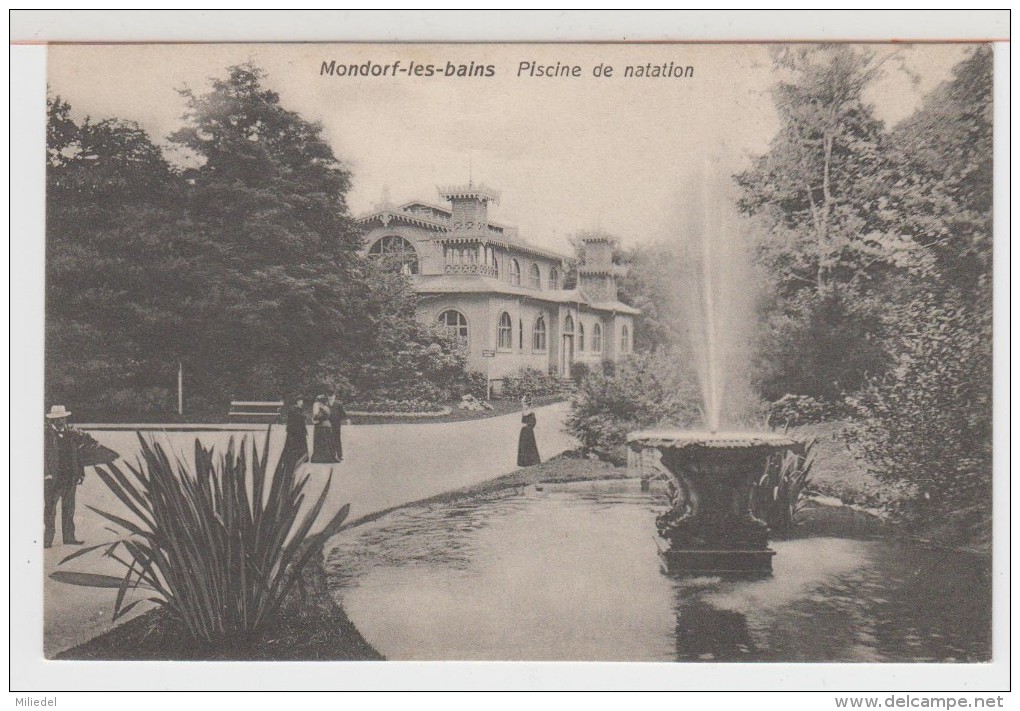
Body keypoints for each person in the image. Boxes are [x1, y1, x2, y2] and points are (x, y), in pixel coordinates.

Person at [44, 405, 98, 548]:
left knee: (69, 509)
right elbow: (42, 457)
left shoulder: (70, 435)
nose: (61, 421)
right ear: (52, 421)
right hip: (52, 479)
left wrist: (80, 473)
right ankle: (47, 540)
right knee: (50, 510)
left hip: (69, 478)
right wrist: (46, 474)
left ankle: (69, 537)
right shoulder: (46, 436)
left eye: (63, 418)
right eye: (58, 419)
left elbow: (76, 456)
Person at [310, 394, 340, 464]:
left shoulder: (322, 408)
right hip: (327, 426)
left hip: (322, 427)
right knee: (328, 443)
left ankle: (323, 458)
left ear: (321, 402)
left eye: (319, 401)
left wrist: (314, 418)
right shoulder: (327, 407)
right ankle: (329, 456)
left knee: (322, 442)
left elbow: (319, 417)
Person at [281, 397, 309, 470]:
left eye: (302, 401)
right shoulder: (293, 409)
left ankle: (302, 457)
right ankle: (292, 457)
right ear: (297, 401)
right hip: (294, 429)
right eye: (300, 401)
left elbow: (302, 417)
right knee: (293, 443)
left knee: (301, 442)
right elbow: (297, 417)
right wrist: (303, 417)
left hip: (300, 429)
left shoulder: (299, 409)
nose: (301, 403)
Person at [328, 392, 348, 462]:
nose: (330, 397)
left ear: (334, 396)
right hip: (328, 425)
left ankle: (339, 455)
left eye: (332, 396)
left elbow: (343, 415)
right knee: (329, 439)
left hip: (336, 425)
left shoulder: (338, 404)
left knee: (337, 439)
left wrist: (337, 419)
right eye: (329, 396)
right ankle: (331, 455)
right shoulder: (326, 404)